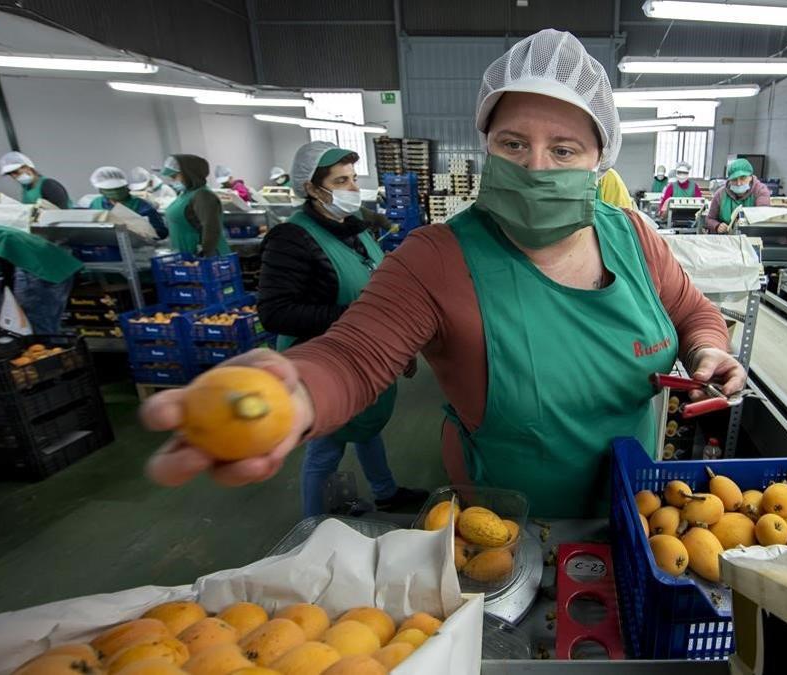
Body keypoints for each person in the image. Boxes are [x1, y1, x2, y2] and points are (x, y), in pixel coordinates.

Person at [140, 29, 744, 519]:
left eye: (563, 150)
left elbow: (693, 312)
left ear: (598, 161)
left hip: (635, 505)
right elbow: (355, 356)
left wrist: (709, 350)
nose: (536, 168)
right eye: (513, 144)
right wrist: (294, 394)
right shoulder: (435, 259)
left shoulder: (634, 236)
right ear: (485, 148)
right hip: (507, 525)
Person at [258, 140, 424, 515]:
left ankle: (385, 491)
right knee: (326, 446)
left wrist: (400, 346)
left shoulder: (355, 230)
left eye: (352, 179)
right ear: (312, 189)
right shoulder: (291, 239)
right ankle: (311, 527)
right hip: (325, 361)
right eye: (340, 181)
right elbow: (275, 311)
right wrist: (352, 316)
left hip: (368, 355)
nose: (352, 189)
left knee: (367, 426)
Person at [0, 223, 83, 334]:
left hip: (35, 267)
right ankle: (48, 347)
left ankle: (40, 348)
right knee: (46, 324)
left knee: (32, 324)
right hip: (53, 264)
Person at [161, 155, 230, 256]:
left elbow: (211, 228)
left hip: (205, 258)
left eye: (174, 176)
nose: (172, 180)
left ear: (189, 174)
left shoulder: (203, 195)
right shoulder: (185, 194)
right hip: (188, 256)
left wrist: (203, 253)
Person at [89, 166, 168, 239]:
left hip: (136, 250)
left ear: (126, 186)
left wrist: (142, 234)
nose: (115, 192)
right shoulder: (96, 204)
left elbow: (161, 233)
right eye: (110, 189)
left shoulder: (141, 205)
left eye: (119, 188)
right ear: (100, 190)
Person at [705, 158, 772, 234]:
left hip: (753, 235)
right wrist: (717, 226)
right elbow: (709, 219)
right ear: (729, 180)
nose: (739, 183)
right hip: (726, 237)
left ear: (750, 177)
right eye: (734, 179)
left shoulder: (760, 191)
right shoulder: (720, 194)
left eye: (743, 178)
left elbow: (762, 215)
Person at [0, 152, 71, 207]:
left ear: (28, 167)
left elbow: (62, 213)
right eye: (10, 174)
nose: (14, 177)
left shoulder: (49, 185)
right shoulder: (26, 188)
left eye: (16, 172)